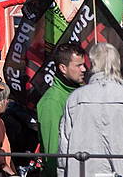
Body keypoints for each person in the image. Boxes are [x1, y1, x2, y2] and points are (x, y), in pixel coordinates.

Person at [57, 43, 123, 177]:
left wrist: (62, 173)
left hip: (83, 172)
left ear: (93, 64)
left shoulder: (75, 99)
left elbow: (63, 148)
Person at [37, 43, 86, 177]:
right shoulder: (51, 101)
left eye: (83, 64)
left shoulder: (79, 93)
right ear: (63, 68)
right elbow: (52, 150)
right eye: (78, 65)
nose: (84, 69)